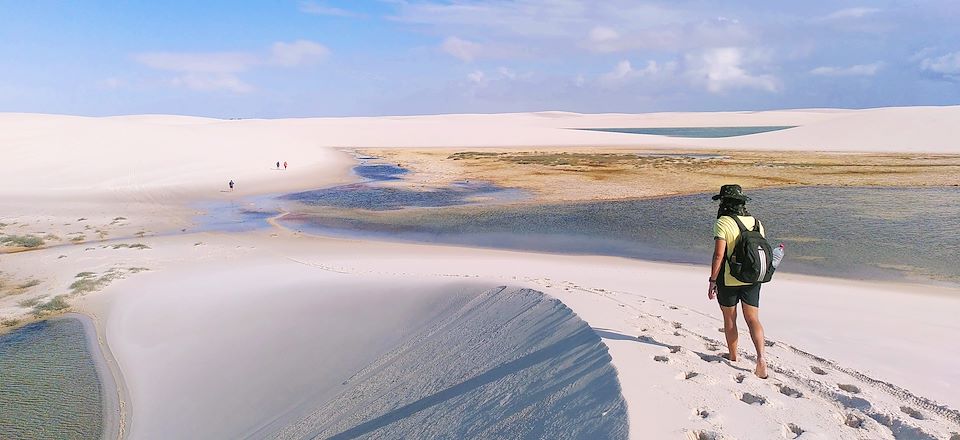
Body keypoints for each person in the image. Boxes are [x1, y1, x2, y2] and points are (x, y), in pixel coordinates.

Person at [708, 184, 768, 379]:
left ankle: (733, 357)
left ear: (724, 203)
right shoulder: (757, 222)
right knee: (753, 319)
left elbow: (719, 255)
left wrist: (712, 280)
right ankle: (761, 359)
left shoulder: (723, 222)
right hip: (752, 278)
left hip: (729, 278)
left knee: (730, 319)